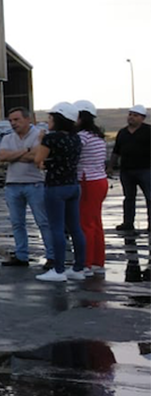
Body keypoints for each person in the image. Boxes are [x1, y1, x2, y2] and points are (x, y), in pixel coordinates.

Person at [35, 103, 87, 282]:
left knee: (56, 228)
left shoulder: (51, 138)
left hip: (55, 186)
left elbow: (38, 159)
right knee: (75, 228)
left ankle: (58, 270)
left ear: (58, 119)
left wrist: (40, 139)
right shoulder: (76, 138)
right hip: (73, 185)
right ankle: (78, 268)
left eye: (50, 118)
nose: (48, 121)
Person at [0, 107, 50, 267]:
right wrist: (27, 151)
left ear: (27, 119)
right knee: (17, 222)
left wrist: (16, 155)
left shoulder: (40, 135)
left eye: (16, 120)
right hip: (13, 185)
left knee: (43, 221)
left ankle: (52, 256)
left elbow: (37, 157)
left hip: (35, 183)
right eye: (11, 120)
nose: (13, 123)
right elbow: (2, 156)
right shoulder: (7, 138)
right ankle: (21, 255)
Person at [75, 100, 109, 277]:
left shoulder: (82, 137)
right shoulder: (97, 136)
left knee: (85, 223)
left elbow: (73, 155)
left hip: (87, 180)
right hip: (99, 180)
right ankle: (97, 261)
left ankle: (86, 263)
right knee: (95, 223)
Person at [114, 105, 151, 232]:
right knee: (129, 197)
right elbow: (116, 151)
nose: (131, 117)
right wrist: (110, 167)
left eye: (135, 115)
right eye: (130, 114)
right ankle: (128, 222)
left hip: (146, 170)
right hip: (126, 171)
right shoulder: (122, 132)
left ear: (142, 118)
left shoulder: (148, 131)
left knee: (149, 196)